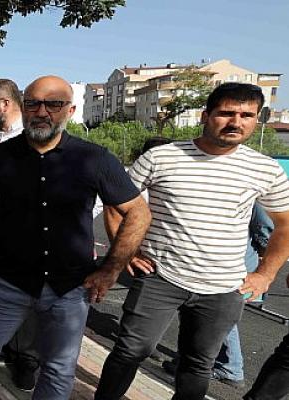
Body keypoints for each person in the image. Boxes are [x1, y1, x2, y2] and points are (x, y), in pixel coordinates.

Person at [94, 82, 289, 400]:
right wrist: (127, 252)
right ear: (205, 115)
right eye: (226, 113)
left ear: (257, 119)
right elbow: (117, 204)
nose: (235, 122)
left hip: (224, 287)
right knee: (130, 351)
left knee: (198, 365)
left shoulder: (265, 169)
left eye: (246, 115)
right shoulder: (161, 157)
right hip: (160, 277)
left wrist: (265, 274)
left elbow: (285, 225)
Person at [0, 75, 151, 400]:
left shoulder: (95, 159)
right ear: (23, 107)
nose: (42, 112)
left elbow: (138, 212)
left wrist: (111, 269)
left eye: (53, 104)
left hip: (69, 288)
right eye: (33, 104)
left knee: (58, 370)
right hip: (8, 283)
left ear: (70, 110)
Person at [162, 202, 274, 388]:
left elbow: (266, 230)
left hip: (232, 266)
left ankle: (230, 368)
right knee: (200, 310)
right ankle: (193, 360)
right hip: (208, 262)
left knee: (219, 314)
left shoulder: (254, 195)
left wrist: (264, 263)